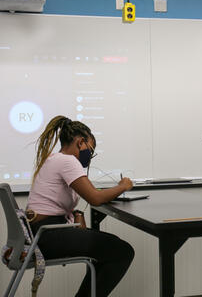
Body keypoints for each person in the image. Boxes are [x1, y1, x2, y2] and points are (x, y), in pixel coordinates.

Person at [26, 116, 135, 297]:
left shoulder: (54, 159)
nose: (90, 155)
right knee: (123, 252)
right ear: (80, 142)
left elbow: (89, 194)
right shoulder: (68, 161)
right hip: (47, 235)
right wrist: (123, 186)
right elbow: (95, 198)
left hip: (40, 233)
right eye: (90, 149)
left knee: (109, 248)